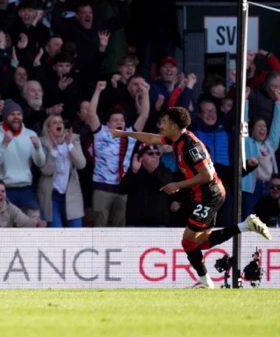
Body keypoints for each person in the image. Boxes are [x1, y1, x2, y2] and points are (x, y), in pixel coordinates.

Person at [110, 106, 272, 289]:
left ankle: (206, 282)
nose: (162, 125)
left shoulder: (191, 146)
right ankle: (246, 225)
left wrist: (177, 185)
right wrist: (124, 133)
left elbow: (207, 175)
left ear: (175, 125)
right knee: (202, 243)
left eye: (165, 122)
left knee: (188, 241)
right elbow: (151, 138)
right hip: (203, 194)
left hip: (209, 195)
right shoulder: (176, 139)